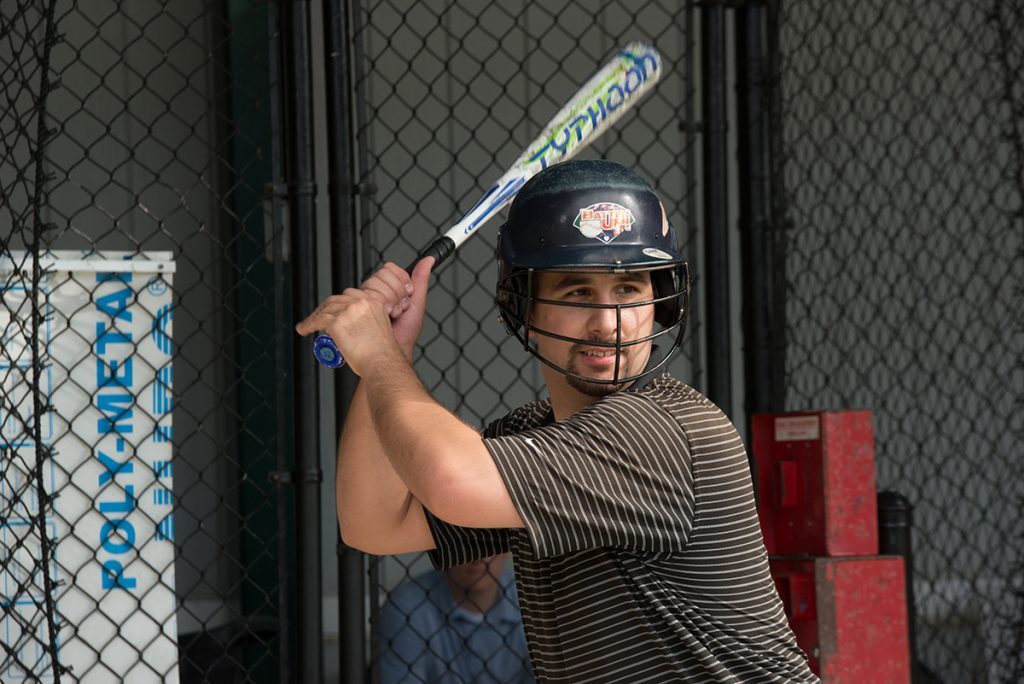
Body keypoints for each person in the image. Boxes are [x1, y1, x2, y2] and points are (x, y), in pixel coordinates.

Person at [296, 159, 818, 682]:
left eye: (630, 289)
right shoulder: (537, 438)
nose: (608, 322)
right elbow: (372, 524)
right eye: (577, 292)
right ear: (525, 310)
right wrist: (393, 352)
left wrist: (379, 357)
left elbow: (448, 479)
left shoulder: (663, 429)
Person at [378, 553, 535, 683]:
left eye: (489, 537)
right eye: (465, 538)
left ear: (508, 546)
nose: (478, 554)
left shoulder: (534, 603)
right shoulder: (407, 608)